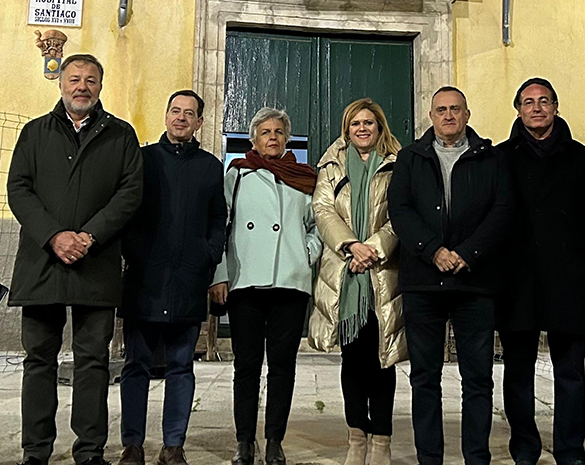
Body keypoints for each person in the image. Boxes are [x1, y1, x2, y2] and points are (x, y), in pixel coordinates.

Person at [8, 53, 144, 465]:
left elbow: (130, 193)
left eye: (90, 80)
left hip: (95, 263)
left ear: (100, 86)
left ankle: (89, 451)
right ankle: (36, 451)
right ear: (61, 84)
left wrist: (89, 236)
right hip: (41, 263)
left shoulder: (121, 135)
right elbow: (18, 189)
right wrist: (53, 236)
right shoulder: (34, 133)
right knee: (38, 361)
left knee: (93, 362)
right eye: (74, 79)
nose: (81, 87)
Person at [388, 86, 513, 465]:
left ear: (467, 114)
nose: (448, 116)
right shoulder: (410, 157)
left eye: (455, 109)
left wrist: (466, 253)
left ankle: (477, 456)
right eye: (441, 110)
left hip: (474, 282)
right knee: (425, 377)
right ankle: (430, 457)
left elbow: (502, 211)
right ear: (431, 116)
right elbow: (400, 211)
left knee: (478, 379)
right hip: (424, 281)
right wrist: (433, 250)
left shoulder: (490, 158)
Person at [119, 90, 228, 465]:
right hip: (145, 280)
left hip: (188, 280)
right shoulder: (143, 160)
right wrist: (136, 254)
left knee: (182, 367)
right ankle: (132, 444)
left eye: (189, 113)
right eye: (175, 111)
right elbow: (127, 211)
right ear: (166, 115)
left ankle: (173, 445)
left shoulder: (211, 167)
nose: (181, 118)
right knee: (136, 366)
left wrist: (208, 254)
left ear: (199, 122)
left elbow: (218, 219)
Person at [496, 78, 585, 465]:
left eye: (544, 101)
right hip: (516, 280)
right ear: (518, 109)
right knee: (517, 372)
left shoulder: (583, 158)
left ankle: (571, 452)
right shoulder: (500, 157)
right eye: (528, 102)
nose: (536, 108)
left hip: (569, 278)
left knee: (570, 374)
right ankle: (524, 448)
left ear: (556, 106)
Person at [210, 107, 321, 465]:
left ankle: (274, 440)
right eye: (265, 132)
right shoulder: (238, 175)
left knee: (283, 365)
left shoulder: (304, 179)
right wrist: (220, 275)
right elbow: (220, 228)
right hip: (246, 280)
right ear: (253, 139)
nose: (272, 137)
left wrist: (306, 252)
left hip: (289, 279)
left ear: (287, 139)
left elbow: (316, 226)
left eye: (278, 132)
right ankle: (245, 441)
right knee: (247, 365)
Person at [309, 98, 407, 465]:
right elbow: (322, 209)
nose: (362, 128)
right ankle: (356, 438)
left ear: (380, 127)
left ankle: (381, 441)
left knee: (382, 363)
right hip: (345, 274)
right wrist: (351, 245)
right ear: (346, 130)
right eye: (355, 124)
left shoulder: (398, 164)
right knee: (352, 362)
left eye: (369, 122)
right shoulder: (331, 165)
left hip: (382, 275)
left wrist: (374, 248)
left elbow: (402, 212)